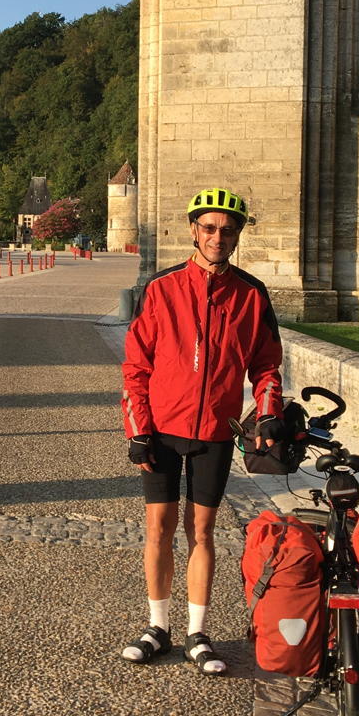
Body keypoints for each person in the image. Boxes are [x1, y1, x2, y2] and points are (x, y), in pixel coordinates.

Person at [120, 187, 285, 674]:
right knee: (158, 529)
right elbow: (136, 366)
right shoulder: (162, 287)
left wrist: (269, 412)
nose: (218, 237)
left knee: (203, 532)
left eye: (228, 229)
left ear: (237, 234)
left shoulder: (251, 294)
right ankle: (156, 627)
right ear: (194, 230)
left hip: (215, 429)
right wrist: (138, 429)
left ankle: (196, 632)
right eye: (209, 228)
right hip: (162, 430)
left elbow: (267, 366)